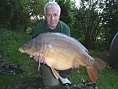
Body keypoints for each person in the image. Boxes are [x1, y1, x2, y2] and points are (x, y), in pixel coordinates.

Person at [31, 1, 80, 87]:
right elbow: (33, 49)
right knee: (53, 85)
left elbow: (69, 49)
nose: (52, 19)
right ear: (45, 16)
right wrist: (37, 58)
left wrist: (76, 60)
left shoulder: (65, 28)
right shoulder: (39, 29)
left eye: (55, 15)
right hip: (46, 60)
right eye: (49, 15)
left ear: (59, 16)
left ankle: (62, 75)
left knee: (70, 62)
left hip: (61, 56)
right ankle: (43, 72)